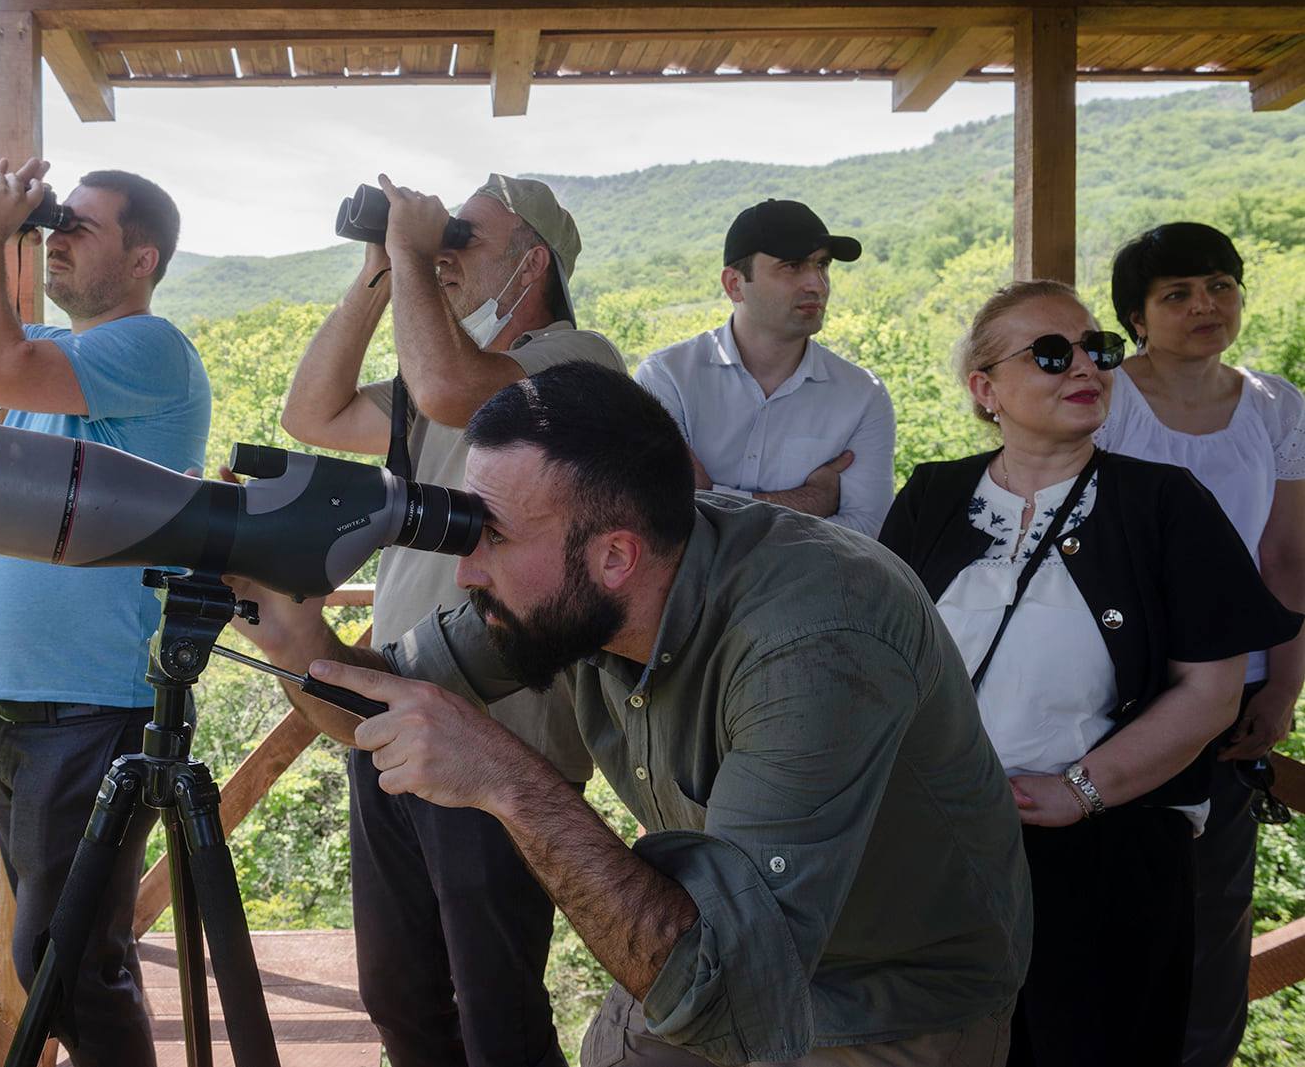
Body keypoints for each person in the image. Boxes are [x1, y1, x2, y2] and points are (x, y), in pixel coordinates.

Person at [237, 360, 1034, 1066]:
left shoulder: (815, 639)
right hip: (706, 938)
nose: (468, 569)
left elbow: (732, 992)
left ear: (615, 555)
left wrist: (507, 779)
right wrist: (295, 635)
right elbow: (372, 707)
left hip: (883, 999)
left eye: (492, 536)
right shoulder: (578, 588)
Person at [877, 280, 1301, 1067]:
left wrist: (1081, 789)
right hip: (942, 852)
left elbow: (1210, 691)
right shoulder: (933, 493)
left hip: (1109, 854)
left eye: (1098, 348)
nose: (1085, 366)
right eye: (1050, 353)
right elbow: (877, 659)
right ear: (985, 389)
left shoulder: (1165, 502)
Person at [271, 173, 624, 1067]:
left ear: (533, 263)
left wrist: (410, 250)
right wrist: (379, 273)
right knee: (400, 995)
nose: (445, 253)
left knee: (494, 1007)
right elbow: (310, 412)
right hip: (394, 710)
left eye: (465, 237)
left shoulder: (576, 362)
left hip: (500, 739)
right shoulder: (438, 381)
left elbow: (451, 388)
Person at [0, 158, 210, 1067]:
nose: (59, 236)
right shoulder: (51, 354)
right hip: (28, 706)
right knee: (61, 955)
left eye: (81, 225)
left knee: (68, 964)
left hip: (88, 709)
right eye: (56, 221)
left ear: (143, 259)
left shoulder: (148, 349)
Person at [1095, 224, 1305, 1067]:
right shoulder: (1103, 395)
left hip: (1235, 691)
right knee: (1105, 898)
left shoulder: (1275, 405)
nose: (1204, 305)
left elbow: (1286, 556)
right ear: (1137, 317)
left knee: (1215, 910)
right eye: (1176, 293)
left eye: (1220, 285)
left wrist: (1282, 686)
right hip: (1113, 687)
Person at [634, 198, 895, 537]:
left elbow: (867, 531)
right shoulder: (667, 379)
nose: (817, 284)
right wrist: (810, 501)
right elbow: (657, 517)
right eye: (792, 266)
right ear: (734, 284)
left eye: (822, 265)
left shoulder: (863, 396)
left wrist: (711, 496)